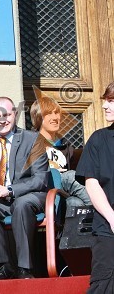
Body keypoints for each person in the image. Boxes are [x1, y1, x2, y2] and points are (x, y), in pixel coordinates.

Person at [0, 97, 49, 280]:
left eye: (7, 114)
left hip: (29, 196)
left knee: (21, 204)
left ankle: (24, 268)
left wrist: (10, 190)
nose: (2, 120)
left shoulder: (33, 139)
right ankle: (2, 267)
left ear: (15, 114)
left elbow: (40, 179)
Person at [75, 82, 114, 293]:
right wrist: (111, 217)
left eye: (112, 101)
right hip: (108, 228)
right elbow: (92, 182)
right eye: (105, 101)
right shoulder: (99, 139)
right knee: (104, 284)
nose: (105, 106)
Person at [30, 96, 91, 208]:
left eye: (56, 113)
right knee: (70, 176)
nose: (54, 117)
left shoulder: (65, 145)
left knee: (74, 202)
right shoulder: (30, 143)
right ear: (38, 117)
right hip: (44, 189)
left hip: (63, 191)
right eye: (48, 113)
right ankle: (102, 212)